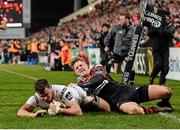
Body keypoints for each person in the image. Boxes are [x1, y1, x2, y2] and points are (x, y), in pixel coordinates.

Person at [70, 57, 173, 115]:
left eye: (81, 65)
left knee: (166, 91)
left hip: (128, 90)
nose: (80, 68)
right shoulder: (80, 86)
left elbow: (100, 79)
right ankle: (158, 109)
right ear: (76, 72)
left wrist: (80, 87)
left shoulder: (97, 67)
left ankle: (165, 103)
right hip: (119, 102)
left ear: (86, 64)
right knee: (133, 111)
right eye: (77, 68)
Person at [17, 79, 110, 117]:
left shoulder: (63, 91)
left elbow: (78, 112)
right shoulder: (36, 97)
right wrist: (33, 115)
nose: (45, 98)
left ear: (50, 87)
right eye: (42, 97)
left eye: (46, 94)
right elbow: (20, 111)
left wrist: (59, 110)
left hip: (81, 95)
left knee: (107, 109)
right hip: (69, 103)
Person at [148, 14, 175, 85]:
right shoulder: (155, 25)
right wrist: (155, 28)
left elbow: (169, 33)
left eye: (166, 18)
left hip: (165, 49)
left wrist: (159, 28)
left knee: (166, 68)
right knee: (158, 65)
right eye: (163, 18)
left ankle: (161, 83)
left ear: (169, 19)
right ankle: (152, 77)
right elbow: (150, 34)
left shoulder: (171, 27)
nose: (164, 20)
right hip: (156, 49)